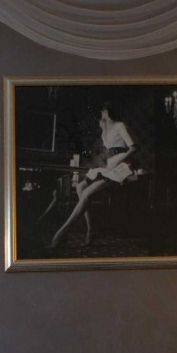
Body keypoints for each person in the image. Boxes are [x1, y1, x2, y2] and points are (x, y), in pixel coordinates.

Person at [50, 103, 136, 248]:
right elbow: (108, 151)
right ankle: (91, 230)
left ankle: (62, 232)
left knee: (86, 194)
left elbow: (134, 148)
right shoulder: (105, 129)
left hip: (121, 167)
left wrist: (117, 160)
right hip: (109, 166)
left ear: (107, 111)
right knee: (80, 187)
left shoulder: (120, 125)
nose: (101, 114)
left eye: (102, 111)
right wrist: (103, 162)